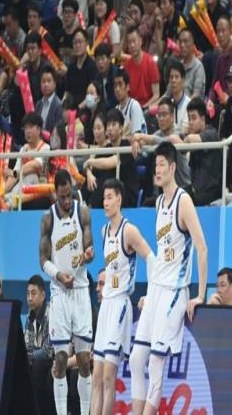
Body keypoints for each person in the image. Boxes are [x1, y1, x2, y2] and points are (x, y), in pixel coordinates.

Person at [129, 142, 208, 415]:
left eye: (162, 164)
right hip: (156, 290)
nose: (157, 170)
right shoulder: (159, 202)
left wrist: (200, 295)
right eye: (155, 165)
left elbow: (202, 248)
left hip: (175, 292)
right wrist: (150, 292)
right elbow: (163, 255)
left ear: (173, 167)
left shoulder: (183, 201)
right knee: (136, 359)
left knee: (155, 364)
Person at [90, 178, 154, 415]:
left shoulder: (129, 231)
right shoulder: (103, 231)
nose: (105, 202)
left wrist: (150, 293)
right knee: (96, 376)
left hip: (120, 306)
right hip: (106, 305)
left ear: (119, 199)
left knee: (109, 376)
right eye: (103, 198)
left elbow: (151, 257)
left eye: (109, 197)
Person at [39, 169, 94, 415]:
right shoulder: (47, 219)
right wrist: (59, 275)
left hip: (80, 290)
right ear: (55, 194)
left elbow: (89, 247)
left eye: (69, 195)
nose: (66, 200)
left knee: (83, 360)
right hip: (60, 292)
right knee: (61, 358)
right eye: (62, 196)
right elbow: (42, 260)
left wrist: (89, 254)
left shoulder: (83, 212)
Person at [24, 275, 56, 414]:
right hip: (36, 360)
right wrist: (27, 356)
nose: (29, 298)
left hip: (53, 361)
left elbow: (48, 351)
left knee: (37, 367)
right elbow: (27, 345)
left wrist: (28, 355)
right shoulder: (29, 316)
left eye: (33, 293)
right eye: (28, 294)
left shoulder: (52, 313)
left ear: (42, 295)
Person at [124, 26, 160, 110]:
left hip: (148, 107)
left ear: (140, 41)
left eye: (134, 41)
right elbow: (126, 95)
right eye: (129, 42)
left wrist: (143, 108)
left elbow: (156, 95)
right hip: (132, 107)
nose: (132, 45)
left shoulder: (150, 62)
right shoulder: (126, 66)